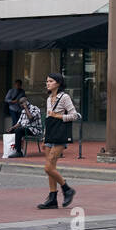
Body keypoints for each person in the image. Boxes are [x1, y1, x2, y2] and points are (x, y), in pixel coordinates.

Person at [37, 73, 78, 209]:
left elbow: (74, 115)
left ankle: (67, 188)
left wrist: (58, 116)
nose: (47, 83)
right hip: (50, 134)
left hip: (60, 135)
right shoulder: (49, 99)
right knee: (50, 169)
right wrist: (44, 137)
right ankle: (52, 198)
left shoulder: (64, 97)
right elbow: (48, 120)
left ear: (58, 83)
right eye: (47, 81)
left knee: (48, 167)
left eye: (50, 81)